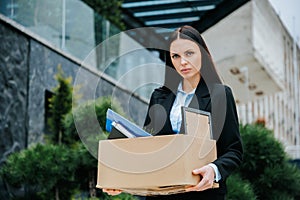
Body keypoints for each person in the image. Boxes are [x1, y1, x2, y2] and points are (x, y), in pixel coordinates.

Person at [104, 25, 243, 200]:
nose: (183, 62)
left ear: (203, 54)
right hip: (160, 194)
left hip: (202, 194)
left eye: (189, 53)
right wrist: (122, 180)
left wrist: (213, 170)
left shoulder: (220, 95)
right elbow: (148, 148)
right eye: (175, 56)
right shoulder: (159, 97)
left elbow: (233, 150)